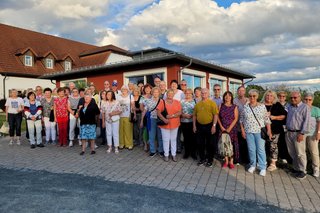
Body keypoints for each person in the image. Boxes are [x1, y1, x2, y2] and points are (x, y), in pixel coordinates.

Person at [240, 89, 272, 176]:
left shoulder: (262, 106)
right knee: (251, 149)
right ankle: (253, 165)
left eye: (254, 96)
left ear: (257, 97)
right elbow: (241, 119)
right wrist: (242, 130)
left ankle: (262, 167)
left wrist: (269, 130)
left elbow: (266, 120)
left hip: (259, 131)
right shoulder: (246, 106)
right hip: (248, 131)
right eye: (250, 96)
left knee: (260, 150)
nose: (252, 98)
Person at [286, 91, 310, 180]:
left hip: (298, 133)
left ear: (299, 97)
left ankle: (303, 171)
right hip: (289, 132)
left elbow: (306, 121)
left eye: (295, 97)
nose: (293, 99)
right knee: (292, 152)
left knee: (300, 153)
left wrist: (302, 133)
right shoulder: (289, 106)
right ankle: (296, 169)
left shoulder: (305, 107)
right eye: (291, 98)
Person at [261, 90, 287, 172]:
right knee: (263, 146)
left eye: (271, 96)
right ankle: (263, 161)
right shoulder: (261, 105)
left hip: (275, 129)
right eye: (267, 95)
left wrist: (274, 117)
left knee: (273, 146)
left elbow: (283, 116)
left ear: (274, 97)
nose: (269, 97)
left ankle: (273, 163)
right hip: (262, 129)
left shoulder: (277, 105)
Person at [193, 88, 219, 167]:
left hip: (210, 126)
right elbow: (194, 115)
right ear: (201, 94)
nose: (204, 94)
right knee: (200, 143)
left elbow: (215, 115)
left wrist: (214, 126)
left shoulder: (212, 103)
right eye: (202, 93)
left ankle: (210, 160)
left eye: (205, 93)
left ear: (208, 94)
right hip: (199, 126)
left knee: (210, 144)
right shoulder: (198, 104)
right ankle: (202, 159)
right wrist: (194, 126)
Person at [157, 89, 182, 162]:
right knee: (166, 140)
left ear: (174, 95)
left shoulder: (177, 102)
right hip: (165, 124)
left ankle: (173, 154)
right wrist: (164, 119)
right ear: (166, 94)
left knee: (173, 140)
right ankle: (166, 155)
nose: (170, 95)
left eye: (172, 94)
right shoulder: (162, 102)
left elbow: (180, 112)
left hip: (175, 123)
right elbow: (158, 112)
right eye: (169, 94)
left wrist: (172, 116)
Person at [217, 91, 239, 169]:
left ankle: (231, 161)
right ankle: (226, 161)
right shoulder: (221, 106)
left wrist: (229, 128)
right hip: (222, 128)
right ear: (224, 97)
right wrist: (221, 127)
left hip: (232, 129)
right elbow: (217, 117)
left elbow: (236, 118)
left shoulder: (235, 106)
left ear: (231, 97)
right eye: (226, 96)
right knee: (224, 144)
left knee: (231, 145)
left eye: (229, 96)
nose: (227, 97)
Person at [140, 87, 164, 157]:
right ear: (152, 93)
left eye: (157, 92)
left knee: (160, 136)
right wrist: (141, 120)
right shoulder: (148, 101)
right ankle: (153, 150)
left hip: (160, 120)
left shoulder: (162, 101)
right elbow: (144, 111)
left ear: (159, 93)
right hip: (151, 120)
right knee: (151, 136)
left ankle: (160, 150)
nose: (155, 93)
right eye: (154, 92)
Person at [304, 93, 320, 177]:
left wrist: (318, 133)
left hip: (312, 133)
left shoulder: (316, 109)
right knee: (302, 152)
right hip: (302, 133)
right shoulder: (301, 108)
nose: (307, 101)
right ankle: (303, 168)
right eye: (306, 99)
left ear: (312, 100)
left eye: (309, 100)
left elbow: (319, 122)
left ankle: (316, 169)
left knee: (314, 152)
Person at [233, 85, 249, 164]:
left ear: (245, 92)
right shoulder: (234, 100)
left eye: (242, 90)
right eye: (239, 91)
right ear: (237, 92)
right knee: (238, 142)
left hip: (247, 124)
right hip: (236, 124)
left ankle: (246, 159)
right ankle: (238, 158)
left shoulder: (248, 100)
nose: (241, 92)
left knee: (246, 142)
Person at [180, 88, 196, 159]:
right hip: (184, 122)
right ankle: (186, 153)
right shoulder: (181, 101)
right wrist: (183, 115)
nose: (188, 94)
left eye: (189, 93)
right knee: (186, 138)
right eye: (186, 93)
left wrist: (192, 115)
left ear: (191, 94)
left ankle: (193, 153)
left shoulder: (194, 101)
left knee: (192, 138)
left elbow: (196, 111)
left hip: (192, 122)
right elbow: (179, 111)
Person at [118, 85, 134, 149]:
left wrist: (133, 114)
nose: (123, 91)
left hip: (128, 115)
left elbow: (133, 106)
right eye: (122, 89)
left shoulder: (130, 96)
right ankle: (121, 143)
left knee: (128, 130)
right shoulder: (118, 97)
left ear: (127, 90)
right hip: (119, 116)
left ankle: (129, 144)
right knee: (120, 131)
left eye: (125, 89)